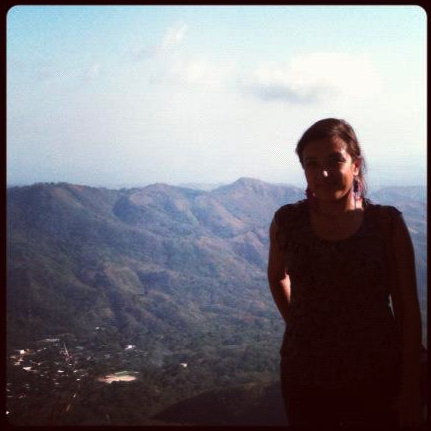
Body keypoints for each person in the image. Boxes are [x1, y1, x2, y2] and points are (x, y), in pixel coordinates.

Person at [267, 118, 424, 428]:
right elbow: (277, 276)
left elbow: (407, 309)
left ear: (356, 164)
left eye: (335, 160)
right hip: (306, 378)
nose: (322, 173)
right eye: (311, 164)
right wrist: (298, 322)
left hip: (378, 376)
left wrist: (410, 388)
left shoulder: (386, 225)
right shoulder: (288, 222)